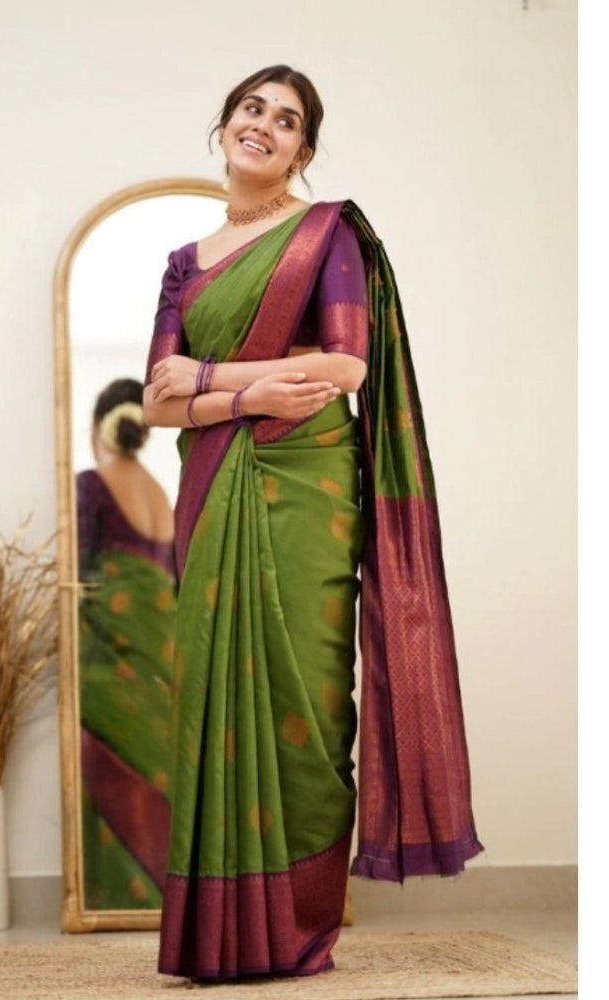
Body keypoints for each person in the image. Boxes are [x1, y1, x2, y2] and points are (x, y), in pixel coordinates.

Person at [144, 65, 482, 980]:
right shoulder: (185, 263)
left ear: (302, 150)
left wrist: (212, 378)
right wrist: (242, 397)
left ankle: (298, 927)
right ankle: (221, 935)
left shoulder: (326, 233)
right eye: (251, 108)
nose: (264, 125)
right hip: (215, 483)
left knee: (309, 694)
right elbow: (156, 402)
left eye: (286, 120)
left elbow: (344, 367)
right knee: (213, 689)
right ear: (224, 125)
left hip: (308, 485)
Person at [75, 379, 177, 910]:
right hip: (161, 671)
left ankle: (113, 902)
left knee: (106, 778)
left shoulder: (91, 486)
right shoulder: (163, 497)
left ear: (98, 429)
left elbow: (74, 578)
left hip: (108, 674)